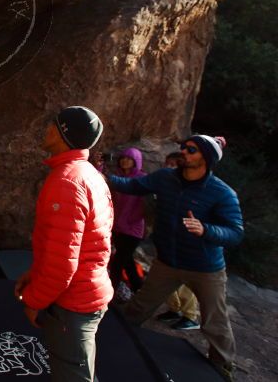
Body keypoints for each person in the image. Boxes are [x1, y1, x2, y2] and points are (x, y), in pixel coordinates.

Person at [106, 135, 243, 381]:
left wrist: (207, 230)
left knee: (215, 322)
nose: (183, 152)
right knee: (138, 307)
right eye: (183, 147)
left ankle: (222, 368)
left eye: (191, 150)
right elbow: (133, 186)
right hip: (167, 262)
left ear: (206, 158)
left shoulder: (222, 193)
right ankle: (113, 343)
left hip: (205, 268)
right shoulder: (165, 178)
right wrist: (101, 176)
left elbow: (235, 232)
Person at [15, 106, 113, 382]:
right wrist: (35, 276)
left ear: (62, 133)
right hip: (86, 291)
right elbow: (74, 246)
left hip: (73, 303)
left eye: (53, 124)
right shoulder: (89, 174)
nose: (47, 128)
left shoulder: (67, 182)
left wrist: (35, 300)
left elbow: (62, 264)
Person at [157, 151, 201, 331]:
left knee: (185, 283)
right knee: (166, 281)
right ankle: (174, 309)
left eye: (173, 165)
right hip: (168, 240)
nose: (169, 168)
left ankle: (190, 316)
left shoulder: (194, 188)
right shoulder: (169, 185)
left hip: (188, 244)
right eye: (167, 164)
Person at [108, 147, 147, 295]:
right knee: (127, 261)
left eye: (129, 159)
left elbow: (143, 206)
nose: (125, 161)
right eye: (123, 158)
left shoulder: (142, 179)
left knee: (118, 261)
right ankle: (138, 287)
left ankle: (109, 293)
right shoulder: (117, 178)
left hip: (132, 229)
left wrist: (130, 221)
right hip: (117, 227)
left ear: (136, 161)